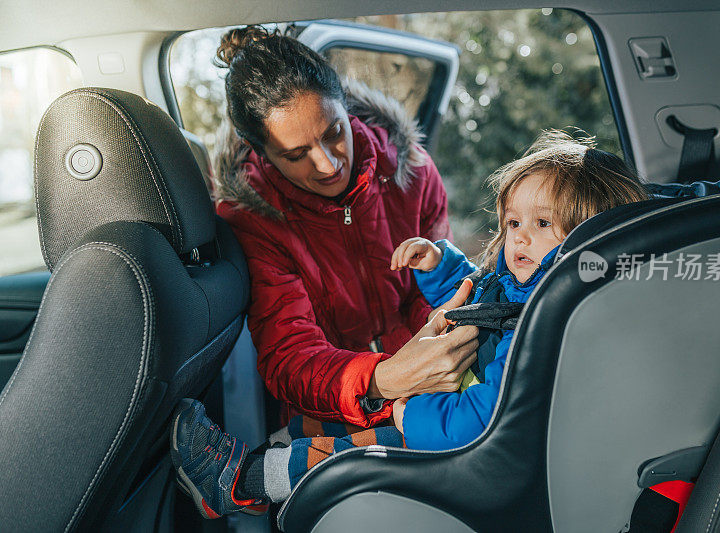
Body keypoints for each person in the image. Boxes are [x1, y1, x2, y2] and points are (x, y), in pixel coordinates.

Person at [170, 130, 651, 517]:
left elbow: (483, 423)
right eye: (512, 223)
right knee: (309, 426)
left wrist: (410, 415)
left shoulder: (542, 327)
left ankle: (237, 483)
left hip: (454, 438)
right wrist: (440, 266)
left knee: (341, 452)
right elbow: (476, 303)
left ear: (591, 239)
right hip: (441, 401)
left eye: (542, 225)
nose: (520, 237)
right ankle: (264, 462)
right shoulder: (521, 286)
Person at [212, 23, 480, 435]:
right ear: (261, 153)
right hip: (333, 405)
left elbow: (438, 288)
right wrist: (384, 378)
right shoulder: (252, 221)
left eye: (334, 132)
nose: (327, 164)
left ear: (345, 107)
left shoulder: (413, 172)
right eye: (297, 154)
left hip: (434, 380)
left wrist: (436, 345)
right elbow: (292, 355)